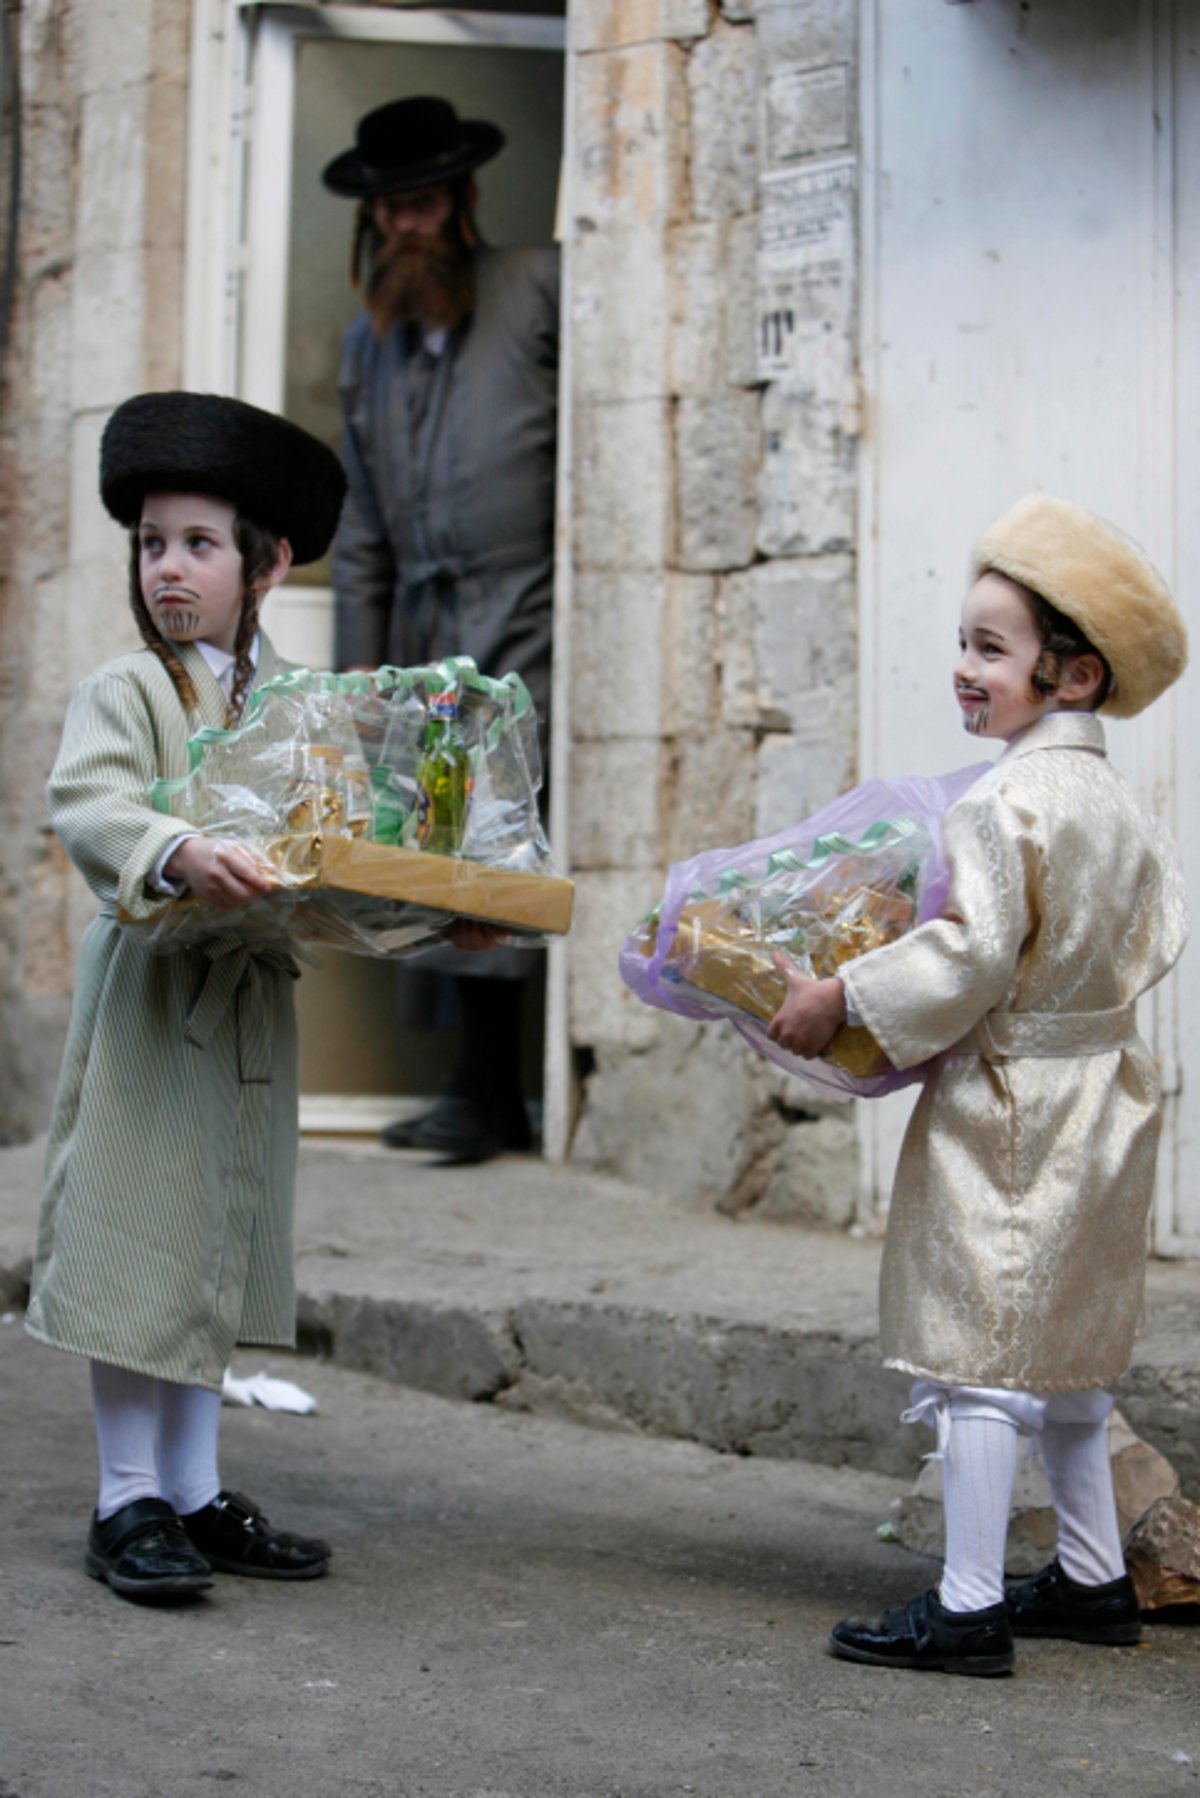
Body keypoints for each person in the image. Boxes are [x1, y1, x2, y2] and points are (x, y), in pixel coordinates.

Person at [766, 493, 1189, 1676]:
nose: (964, 667)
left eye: (990, 649)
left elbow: (966, 957)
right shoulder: (1116, 803)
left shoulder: (1000, 802)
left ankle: (966, 1605)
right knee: (1068, 1357)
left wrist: (843, 994)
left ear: (1077, 674)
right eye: (965, 640)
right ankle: (1097, 1577)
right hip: (1102, 1091)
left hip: (1011, 1104)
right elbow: (1151, 934)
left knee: (979, 1356)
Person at [25, 390, 348, 1601]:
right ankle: (126, 1497)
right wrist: (176, 849)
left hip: (248, 1011)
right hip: (158, 1006)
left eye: (199, 545)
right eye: (152, 544)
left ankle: (198, 1489)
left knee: (212, 1241)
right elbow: (95, 803)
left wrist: (426, 906)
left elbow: (336, 844)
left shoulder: (301, 704)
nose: (169, 568)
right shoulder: (130, 690)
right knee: (135, 1238)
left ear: (265, 564)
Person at [322, 94, 558, 1165]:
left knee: (494, 832)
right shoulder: (365, 347)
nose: (407, 226)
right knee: (431, 836)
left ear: (462, 201)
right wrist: (359, 668)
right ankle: (479, 1089)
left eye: (422, 204)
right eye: (390, 211)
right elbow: (362, 523)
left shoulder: (542, 287)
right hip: (423, 623)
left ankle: (491, 1091)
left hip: (523, 608)